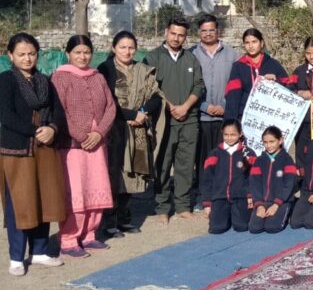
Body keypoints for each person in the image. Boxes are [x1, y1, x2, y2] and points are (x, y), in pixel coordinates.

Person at [0, 33, 66, 275]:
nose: (27, 58)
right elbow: (6, 115)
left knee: (44, 199)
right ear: (10, 55)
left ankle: (39, 251)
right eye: (21, 54)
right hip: (17, 150)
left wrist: (53, 128)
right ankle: (17, 257)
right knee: (20, 202)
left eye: (31, 53)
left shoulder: (44, 81)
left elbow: (58, 111)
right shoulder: (6, 80)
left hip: (45, 148)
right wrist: (37, 131)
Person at [51, 35, 117, 257]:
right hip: (72, 146)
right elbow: (60, 111)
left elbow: (111, 107)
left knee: (96, 188)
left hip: (97, 145)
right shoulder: (60, 77)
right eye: (77, 52)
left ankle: (89, 234)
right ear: (68, 53)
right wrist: (81, 136)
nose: (82, 56)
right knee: (76, 193)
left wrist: (99, 133)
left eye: (86, 52)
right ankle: (69, 239)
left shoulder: (98, 77)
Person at [97, 31, 161, 237]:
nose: (127, 51)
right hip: (114, 129)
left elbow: (156, 97)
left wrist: (142, 113)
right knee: (114, 173)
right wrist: (131, 115)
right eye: (122, 47)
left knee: (132, 173)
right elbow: (105, 101)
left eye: (131, 47)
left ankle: (124, 219)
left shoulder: (143, 70)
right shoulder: (105, 69)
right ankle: (109, 221)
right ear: (114, 48)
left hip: (137, 129)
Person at [145, 19, 205, 223]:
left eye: (181, 35)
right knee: (163, 164)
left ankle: (183, 205)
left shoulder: (191, 58)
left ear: (185, 37)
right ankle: (162, 207)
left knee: (185, 165)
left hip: (189, 120)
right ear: (166, 32)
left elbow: (199, 85)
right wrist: (170, 107)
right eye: (173, 33)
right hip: (164, 121)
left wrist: (186, 107)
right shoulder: (153, 57)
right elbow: (150, 88)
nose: (176, 38)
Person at [191, 14, 238, 217]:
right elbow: (189, 87)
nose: (208, 33)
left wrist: (224, 106)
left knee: (224, 159)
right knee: (203, 160)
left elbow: (237, 84)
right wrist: (204, 106)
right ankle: (203, 197)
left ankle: (223, 196)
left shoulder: (233, 55)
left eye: (211, 30)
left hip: (225, 119)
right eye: (204, 30)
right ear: (198, 32)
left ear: (218, 31)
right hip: (201, 116)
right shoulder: (191, 54)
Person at [199, 119, 255, 234]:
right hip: (220, 197)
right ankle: (224, 215)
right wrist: (207, 203)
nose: (229, 138)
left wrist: (250, 195)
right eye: (226, 134)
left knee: (242, 227)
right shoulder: (214, 154)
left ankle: (237, 215)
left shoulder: (248, 154)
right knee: (217, 229)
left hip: (240, 197)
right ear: (222, 133)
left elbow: (252, 177)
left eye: (233, 134)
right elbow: (207, 180)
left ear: (240, 134)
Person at [223, 28, 289, 122]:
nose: (251, 46)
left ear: (261, 43)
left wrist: (276, 82)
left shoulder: (274, 64)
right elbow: (233, 97)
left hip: (270, 118)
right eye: (247, 43)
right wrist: (230, 122)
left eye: (254, 42)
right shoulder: (238, 66)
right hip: (245, 118)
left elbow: (288, 88)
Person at [248, 126, 299, 234]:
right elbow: (254, 184)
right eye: (265, 142)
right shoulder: (259, 161)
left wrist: (276, 204)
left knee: (272, 228)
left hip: (281, 201)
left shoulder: (287, 160)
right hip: (264, 201)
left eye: (272, 141)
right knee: (254, 228)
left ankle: (290, 208)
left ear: (280, 140)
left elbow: (289, 185)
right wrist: (259, 205)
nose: (269, 145)